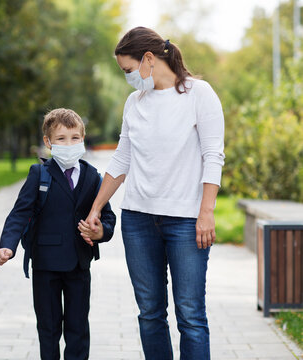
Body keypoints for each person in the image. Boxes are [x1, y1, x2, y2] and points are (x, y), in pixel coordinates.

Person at [81, 27, 225, 360]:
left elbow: (213, 155)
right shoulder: (135, 102)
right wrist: (95, 208)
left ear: (148, 58)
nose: (128, 78)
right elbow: (121, 159)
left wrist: (206, 212)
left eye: (128, 70)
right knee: (149, 313)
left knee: (190, 315)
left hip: (186, 223)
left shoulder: (199, 94)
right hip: (138, 221)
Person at [0, 108, 116, 360]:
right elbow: (20, 213)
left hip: (79, 265)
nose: (69, 144)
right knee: (48, 328)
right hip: (46, 265)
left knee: (78, 327)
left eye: (75, 138)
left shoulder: (93, 177)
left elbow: (108, 218)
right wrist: (8, 245)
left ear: (83, 139)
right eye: (61, 139)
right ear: (48, 142)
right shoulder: (38, 174)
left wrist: (100, 232)